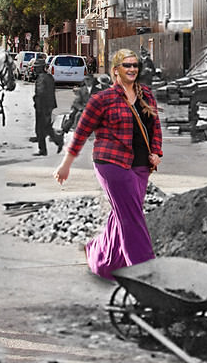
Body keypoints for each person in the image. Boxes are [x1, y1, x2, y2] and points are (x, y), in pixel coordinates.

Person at [53, 47, 160, 279]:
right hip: (111, 163)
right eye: (126, 65)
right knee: (131, 216)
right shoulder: (102, 99)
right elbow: (81, 133)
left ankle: (103, 260)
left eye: (134, 65)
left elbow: (155, 128)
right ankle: (146, 274)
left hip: (141, 165)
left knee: (123, 213)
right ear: (115, 71)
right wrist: (66, 164)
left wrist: (157, 152)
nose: (132, 69)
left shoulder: (147, 96)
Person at [32, 56, 62, 156]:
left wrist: (37, 103)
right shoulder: (49, 77)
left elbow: (40, 94)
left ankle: (48, 146)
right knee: (45, 127)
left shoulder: (41, 78)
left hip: (42, 107)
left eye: (36, 67)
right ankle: (53, 143)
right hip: (49, 106)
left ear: (41, 68)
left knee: (41, 128)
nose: (35, 70)